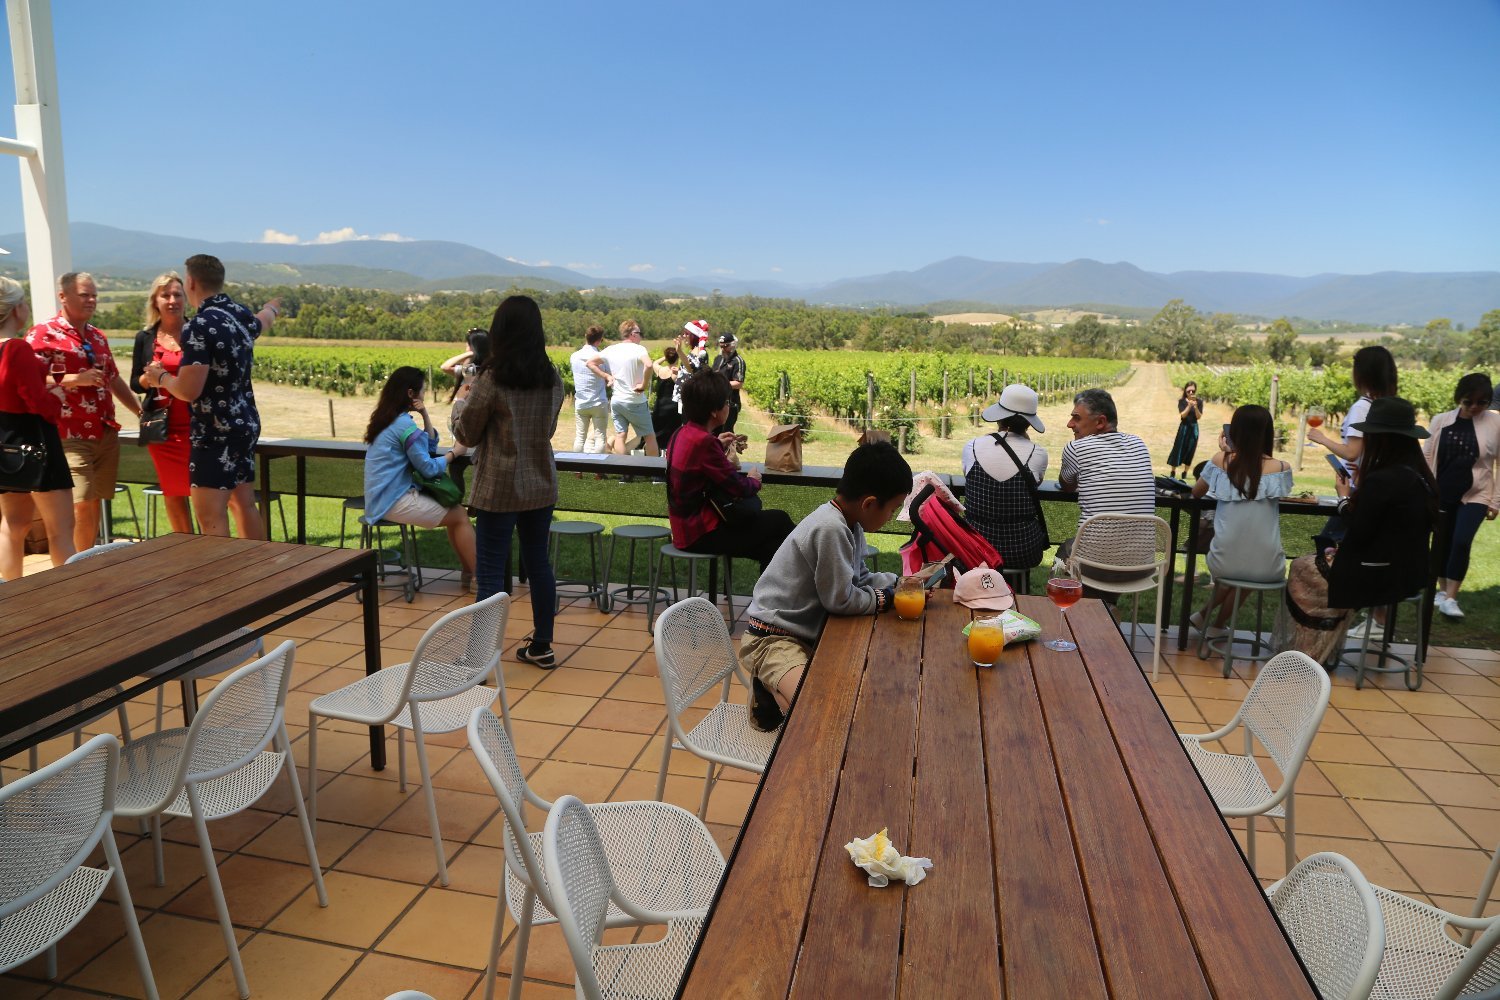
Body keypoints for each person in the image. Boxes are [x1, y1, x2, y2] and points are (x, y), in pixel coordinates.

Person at [739, 441, 912, 730]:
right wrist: (887, 598)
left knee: (843, 697)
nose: (891, 518)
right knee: (817, 707)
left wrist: (901, 583)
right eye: (892, 510)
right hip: (771, 640)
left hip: (805, 638)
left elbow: (859, 579)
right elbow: (841, 601)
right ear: (869, 503)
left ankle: (779, 689)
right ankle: (768, 687)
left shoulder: (850, 524)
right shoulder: (830, 529)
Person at [1278, 397, 1437, 661]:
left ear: (1381, 438)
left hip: (1375, 576)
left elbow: (1360, 532)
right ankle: (1324, 650)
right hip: (1410, 574)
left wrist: (1343, 498)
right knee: (1317, 563)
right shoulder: (1420, 476)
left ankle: (1309, 653)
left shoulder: (1383, 479)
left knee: (1301, 567)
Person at [455, 295, 564, 669]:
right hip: (541, 483)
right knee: (539, 564)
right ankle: (542, 645)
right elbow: (548, 430)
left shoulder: (492, 378)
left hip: (498, 488)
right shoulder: (551, 378)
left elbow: (466, 433)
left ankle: (479, 660)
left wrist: (460, 402)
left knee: (490, 573)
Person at [143, 256, 279, 538]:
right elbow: (263, 321)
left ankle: (223, 568)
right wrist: (272, 307)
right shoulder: (239, 315)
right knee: (244, 505)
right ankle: (259, 564)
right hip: (245, 426)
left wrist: (161, 378)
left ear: (191, 282)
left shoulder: (199, 326)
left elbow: (189, 390)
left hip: (214, 432)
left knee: (210, 516)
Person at [26, 271, 142, 553]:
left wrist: (140, 412)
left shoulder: (97, 336)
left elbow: (113, 379)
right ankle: (74, 570)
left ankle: (85, 563)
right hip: (69, 433)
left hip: (104, 432)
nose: (91, 300)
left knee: (92, 504)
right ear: (63, 296)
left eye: (94, 295)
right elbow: (27, 379)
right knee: (80, 503)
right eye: (84, 295)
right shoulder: (42, 334)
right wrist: (75, 379)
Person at [665, 369, 794, 573]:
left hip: (683, 530)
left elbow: (698, 462)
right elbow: (738, 487)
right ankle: (813, 574)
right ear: (714, 411)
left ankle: (770, 593)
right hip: (701, 533)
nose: (729, 406)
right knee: (780, 520)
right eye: (727, 402)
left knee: (772, 547)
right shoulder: (704, 443)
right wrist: (754, 479)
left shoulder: (681, 433)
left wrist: (717, 444)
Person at [363, 366, 477, 588]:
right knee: (459, 516)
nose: (424, 394)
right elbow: (428, 467)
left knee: (455, 514)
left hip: (380, 499)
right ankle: (477, 577)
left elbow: (426, 447)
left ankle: (469, 574)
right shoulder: (403, 425)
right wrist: (454, 453)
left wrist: (424, 414)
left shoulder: (387, 419)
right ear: (411, 393)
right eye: (423, 390)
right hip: (393, 501)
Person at [1189, 405, 1293, 638]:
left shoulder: (1220, 461)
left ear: (1234, 431)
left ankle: (1207, 618)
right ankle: (1215, 624)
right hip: (1269, 565)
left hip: (1222, 561)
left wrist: (1226, 454)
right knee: (1250, 572)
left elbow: (1196, 492)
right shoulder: (1282, 468)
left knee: (1237, 573)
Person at [0, 276, 75, 577]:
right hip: (36, 442)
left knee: (12, 526)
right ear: (16, 309)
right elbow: (36, 402)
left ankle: (10, 595)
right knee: (61, 529)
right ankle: (68, 597)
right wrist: (56, 398)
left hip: (5, 444)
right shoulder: (16, 348)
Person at [1056, 388, 1155, 588]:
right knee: (1106, 552)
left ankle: (1067, 605)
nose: (1070, 424)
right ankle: (1107, 605)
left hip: (1094, 566)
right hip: (1142, 567)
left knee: (1064, 553)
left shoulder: (1076, 448)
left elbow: (1067, 486)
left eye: (1076, 418)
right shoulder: (1139, 444)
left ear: (1100, 422)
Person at [1423, 373, 1499, 620]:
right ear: (1459, 398)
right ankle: (1442, 591)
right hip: (1442, 493)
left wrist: (1496, 501)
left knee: (1461, 541)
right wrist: (1426, 491)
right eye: (1469, 402)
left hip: (1477, 493)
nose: (1475, 407)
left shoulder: (1496, 423)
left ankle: (1451, 598)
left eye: (1482, 402)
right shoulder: (1440, 421)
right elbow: (1427, 457)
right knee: (1441, 543)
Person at [129, 273, 194, 534]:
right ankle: (187, 547)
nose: (172, 300)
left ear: (185, 299)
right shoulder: (144, 337)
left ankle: (213, 546)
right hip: (162, 430)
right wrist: (149, 378)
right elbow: (135, 383)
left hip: (197, 427)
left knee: (206, 492)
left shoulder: (198, 333)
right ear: (155, 301)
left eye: (177, 294)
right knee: (173, 493)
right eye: (165, 295)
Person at [962, 383, 1049, 577]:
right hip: (1023, 549)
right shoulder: (1038, 453)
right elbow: (1034, 484)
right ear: (1029, 423)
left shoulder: (971, 446)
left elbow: (969, 477)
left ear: (999, 416)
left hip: (976, 546)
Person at [588, 319, 657, 456]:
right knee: (649, 436)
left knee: (620, 435)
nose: (641, 336)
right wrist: (643, 385)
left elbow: (590, 363)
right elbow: (649, 365)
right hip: (635, 400)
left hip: (617, 401)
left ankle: (622, 468)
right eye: (639, 333)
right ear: (633, 334)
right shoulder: (639, 349)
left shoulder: (611, 349)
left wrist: (606, 376)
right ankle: (655, 468)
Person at [439, 328, 489, 493]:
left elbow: (445, 366)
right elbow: (446, 367)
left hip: (467, 420)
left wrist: (468, 353)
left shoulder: (473, 370)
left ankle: (459, 500)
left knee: (457, 464)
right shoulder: (483, 369)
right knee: (460, 464)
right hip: (470, 420)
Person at [568, 325, 609, 455]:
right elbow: (607, 376)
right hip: (599, 401)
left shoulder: (574, 356)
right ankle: (598, 466)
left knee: (580, 437)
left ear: (586, 337)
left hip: (581, 402)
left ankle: (577, 465)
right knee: (600, 437)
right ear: (600, 340)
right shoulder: (601, 358)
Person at [1166, 380, 1203, 478]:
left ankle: (1185, 472)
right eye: (1189, 391)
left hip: (1194, 428)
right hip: (1184, 427)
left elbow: (1199, 417)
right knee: (1178, 448)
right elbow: (1183, 415)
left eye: (1193, 391)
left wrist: (1195, 407)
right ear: (1185, 391)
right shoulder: (1181, 401)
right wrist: (1189, 406)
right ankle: (1173, 471)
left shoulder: (1199, 402)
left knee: (1191, 449)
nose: (1191, 393)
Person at [651, 344, 684, 450]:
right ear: (677, 358)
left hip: (659, 406)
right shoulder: (676, 373)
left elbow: (655, 363)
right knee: (672, 434)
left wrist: (665, 357)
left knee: (658, 431)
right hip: (673, 407)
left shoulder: (660, 370)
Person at [712, 333, 746, 433]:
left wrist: (720, 383)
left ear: (732, 345)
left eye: (725, 346)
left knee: (726, 432)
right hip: (716, 401)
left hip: (730, 403)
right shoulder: (718, 359)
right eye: (721, 346)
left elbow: (739, 383)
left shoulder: (738, 361)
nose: (723, 349)